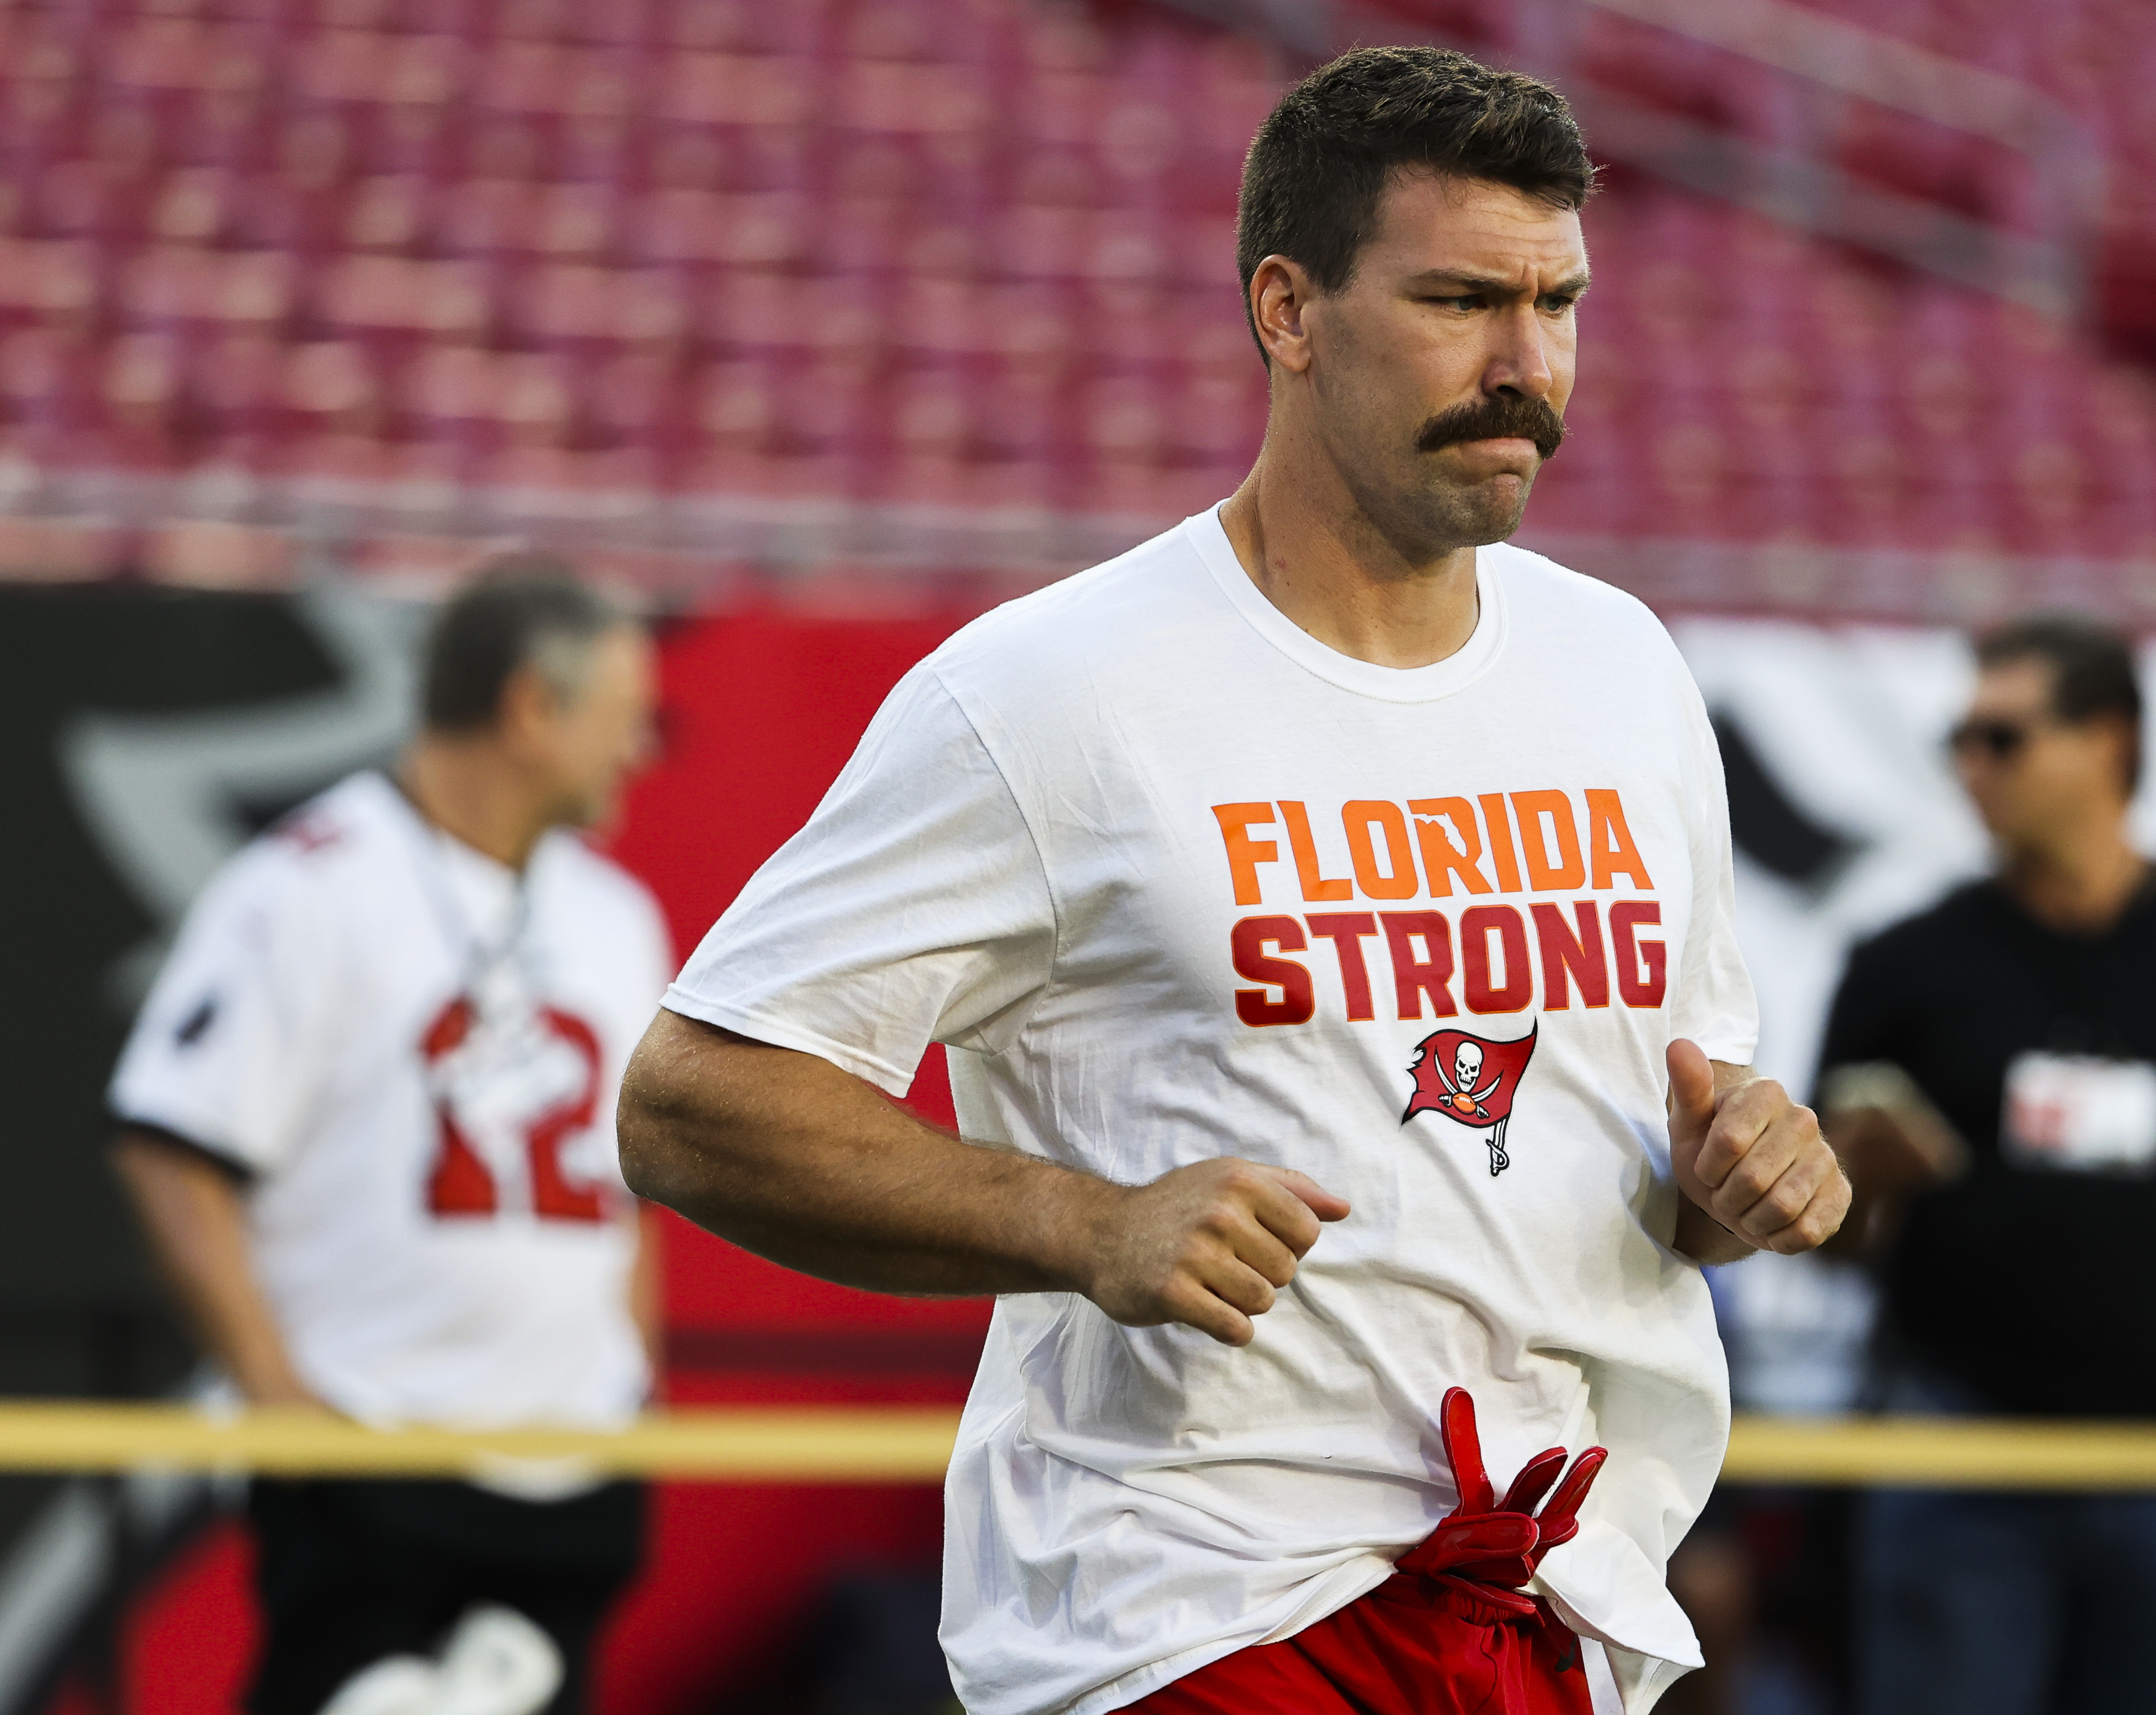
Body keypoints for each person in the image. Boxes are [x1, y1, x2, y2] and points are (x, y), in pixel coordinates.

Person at [618, 45, 1847, 1715]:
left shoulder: (1621, 667)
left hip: (1549, 1595)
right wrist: (1081, 1219)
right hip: (1190, 1608)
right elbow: (692, 1100)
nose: (1525, 365)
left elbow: (1663, 1147)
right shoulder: (1056, 689)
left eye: (1557, 302)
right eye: (1460, 300)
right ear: (1289, 309)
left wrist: (1744, 1173)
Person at [108, 560, 670, 1715]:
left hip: (570, 1468)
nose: (639, 750)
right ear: (530, 707)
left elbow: (634, 1186)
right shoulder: (307, 885)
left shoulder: (616, 915)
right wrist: (273, 1392)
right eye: (623, 717)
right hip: (374, 1453)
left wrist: (630, 1385)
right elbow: (173, 1141)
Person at [1819, 614, 2156, 1715]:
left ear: (2109, 741)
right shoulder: (1904, 964)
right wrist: (1850, 1184)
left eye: (2002, 736)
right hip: (1963, 1458)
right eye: (1960, 739)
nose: (1969, 767)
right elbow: (1823, 1238)